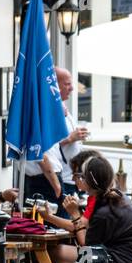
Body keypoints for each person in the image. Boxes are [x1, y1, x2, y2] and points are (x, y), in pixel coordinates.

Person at [54, 68, 91, 197]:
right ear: (54, 84)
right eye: (67, 84)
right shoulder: (48, 112)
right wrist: (70, 138)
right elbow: (44, 146)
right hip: (62, 178)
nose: (72, 88)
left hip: (72, 178)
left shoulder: (63, 108)